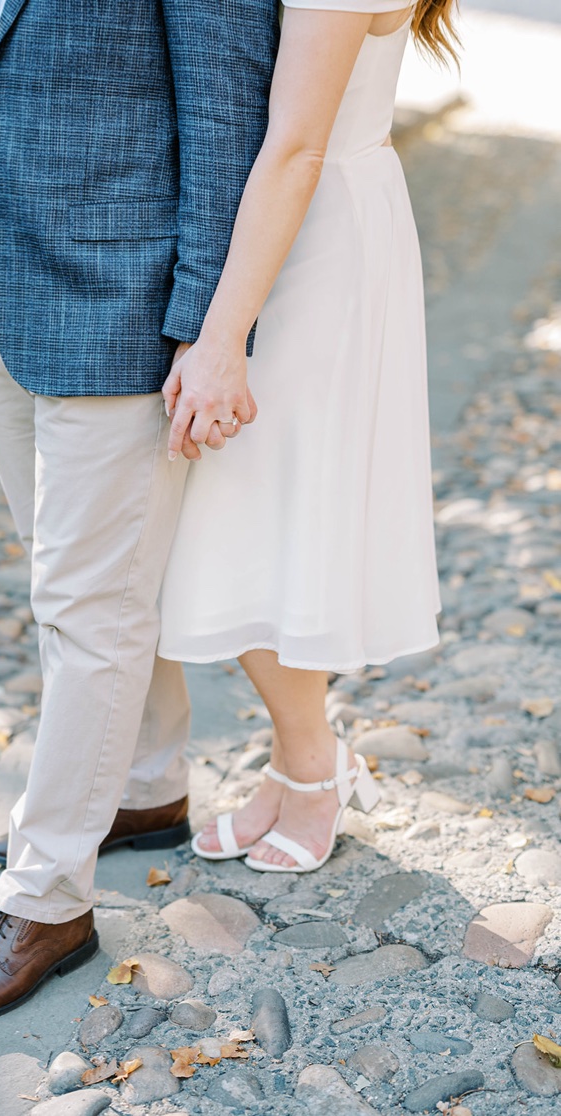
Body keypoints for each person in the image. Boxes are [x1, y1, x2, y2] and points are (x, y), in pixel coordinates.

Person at [0, 1, 280, 1031]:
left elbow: (228, 119)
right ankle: (145, 783)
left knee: (88, 605)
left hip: (123, 296)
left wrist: (210, 326)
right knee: (79, 581)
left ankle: (45, 901)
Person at [159, 0, 454, 872]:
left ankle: (314, 768)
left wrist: (221, 341)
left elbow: (295, 147)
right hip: (288, 223)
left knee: (257, 506)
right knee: (256, 513)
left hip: (308, 237)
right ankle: (300, 762)